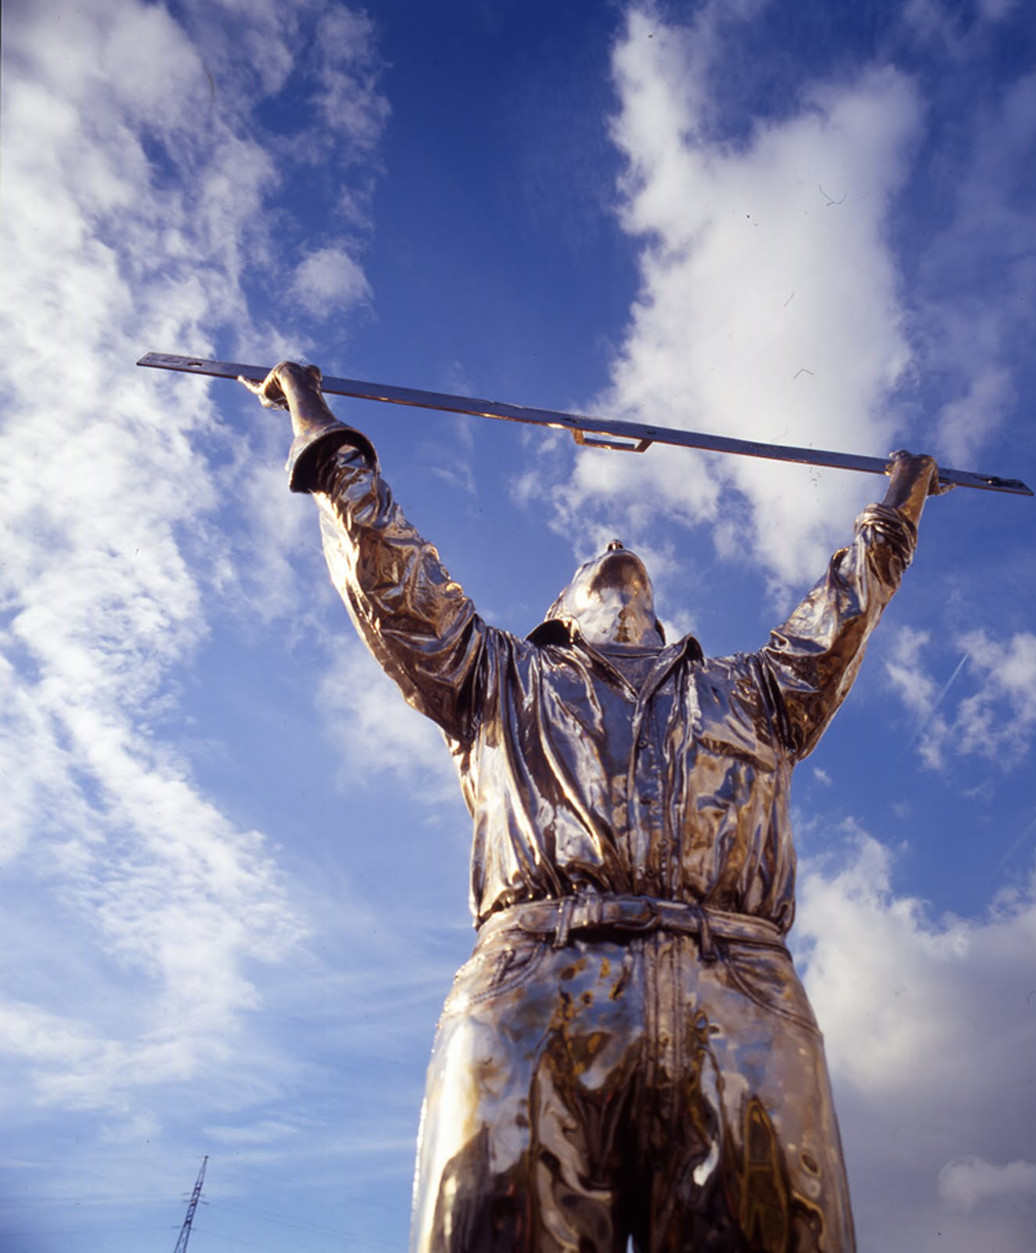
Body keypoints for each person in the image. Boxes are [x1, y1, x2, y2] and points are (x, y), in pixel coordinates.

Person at [243, 361, 948, 1253]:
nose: (612, 542)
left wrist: (898, 502)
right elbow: (396, 577)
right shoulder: (499, 676)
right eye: (588, 561)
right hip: (537, 990)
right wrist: (315, 417)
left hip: (740, 999)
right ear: (558, 615)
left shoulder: (755, 693)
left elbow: (839, 614)